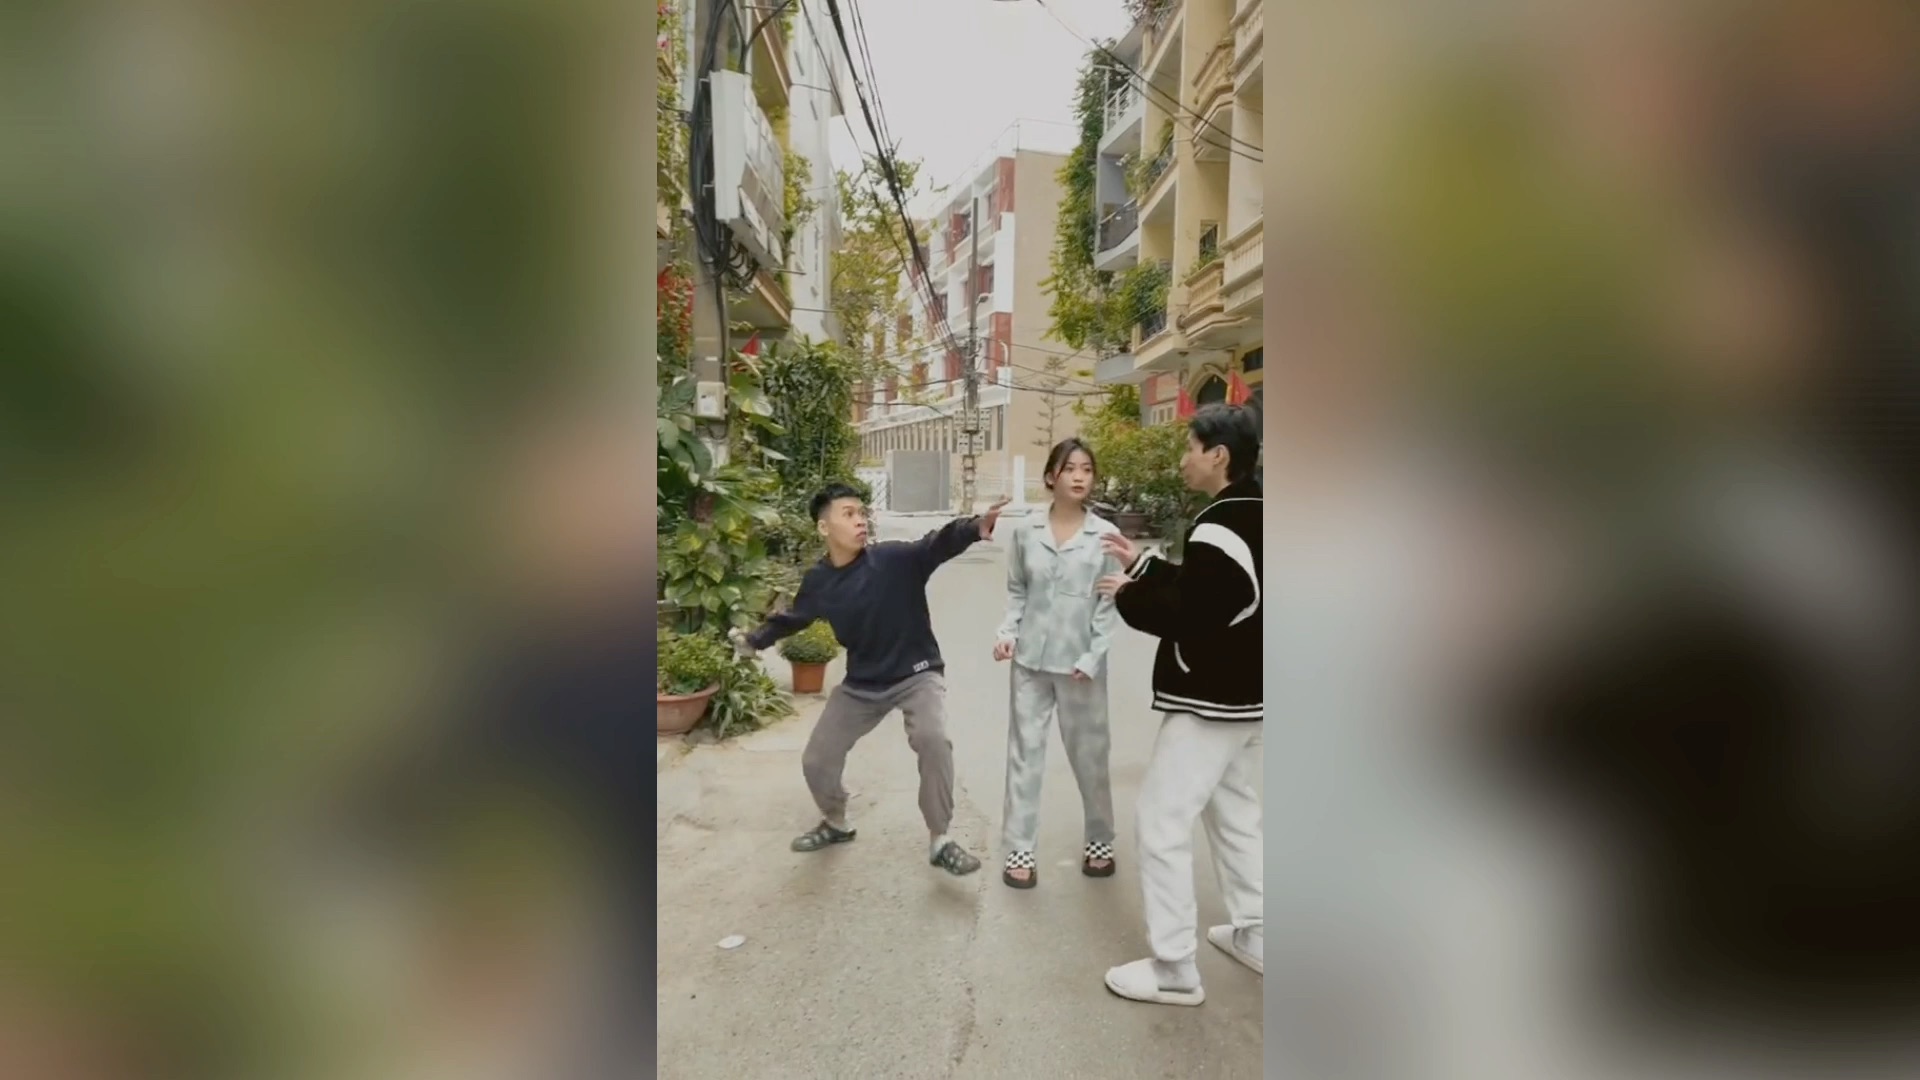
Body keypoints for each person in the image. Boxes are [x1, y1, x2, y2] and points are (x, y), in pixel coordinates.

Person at [732, 483, 1010, 876]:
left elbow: (935, 544)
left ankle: (941, 839)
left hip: (917, 674)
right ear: (823, 527)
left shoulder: (893, 559)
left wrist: (975, 526)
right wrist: (753, 641)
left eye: (861, 513)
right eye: (848, 514)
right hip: (862, 685)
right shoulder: (819, 582)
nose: (860, 520)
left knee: (933, 739)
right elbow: (793, 617)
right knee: (817, 759)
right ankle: (836, 822)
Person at [1094, 403, 1264, 1006]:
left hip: (1209, 700)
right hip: (1253, 697)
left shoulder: (1219, 525)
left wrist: (1129, 595)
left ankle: (1173, 967)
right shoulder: (1262, 513)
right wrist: (1142, 565)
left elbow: (1193, 613)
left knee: (1161, 822)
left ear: (1219, 455)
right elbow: (1216, 592)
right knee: (1234, 811)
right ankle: (1260, 933)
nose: (1183, 459)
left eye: (1190, 447)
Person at [991, 438, 1121, 889]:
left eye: (1087, 469)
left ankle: (1100, 839)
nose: (1080, 476)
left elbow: (1109, 602)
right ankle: (1019, 848)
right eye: (1070, 469)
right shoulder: (1027, 532)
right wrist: (1007, 633)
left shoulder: (1105, 535)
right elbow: (1017, 590)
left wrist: (1093, 655)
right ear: (1051, 476)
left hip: (1081, 666)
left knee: (1090, 757)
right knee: (1024, 755)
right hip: (1029, 663)